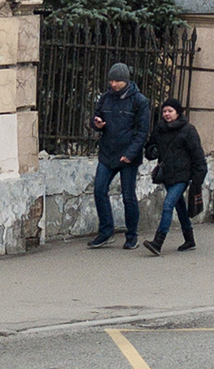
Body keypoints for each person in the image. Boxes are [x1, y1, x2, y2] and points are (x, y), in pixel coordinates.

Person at [88, 62, 151, 249]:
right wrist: (96, 123)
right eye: (111, 80)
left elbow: (142, 132)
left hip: (128, 157)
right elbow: (96, 118)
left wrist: (131, 154)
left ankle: (132, 235)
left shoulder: (139, 101)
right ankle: (106, 231)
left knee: (128, 196)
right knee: (99, 190)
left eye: (117, 81)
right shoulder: (106, 98)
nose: (113, 84)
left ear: (126, 81)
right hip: (107, 153)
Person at [142, 97, 207, 255]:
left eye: (170, 111)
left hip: (182, 176)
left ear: (178, 113)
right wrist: (152, 151)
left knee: (168, 204)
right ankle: (189, 239)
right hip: (167, 175)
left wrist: (197, 180)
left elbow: (198, 155)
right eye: (164, 111)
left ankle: (158, 242)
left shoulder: (188, 130)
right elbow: (150, 147)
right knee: (180, 207)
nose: (166, 114)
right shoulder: (160, 129)